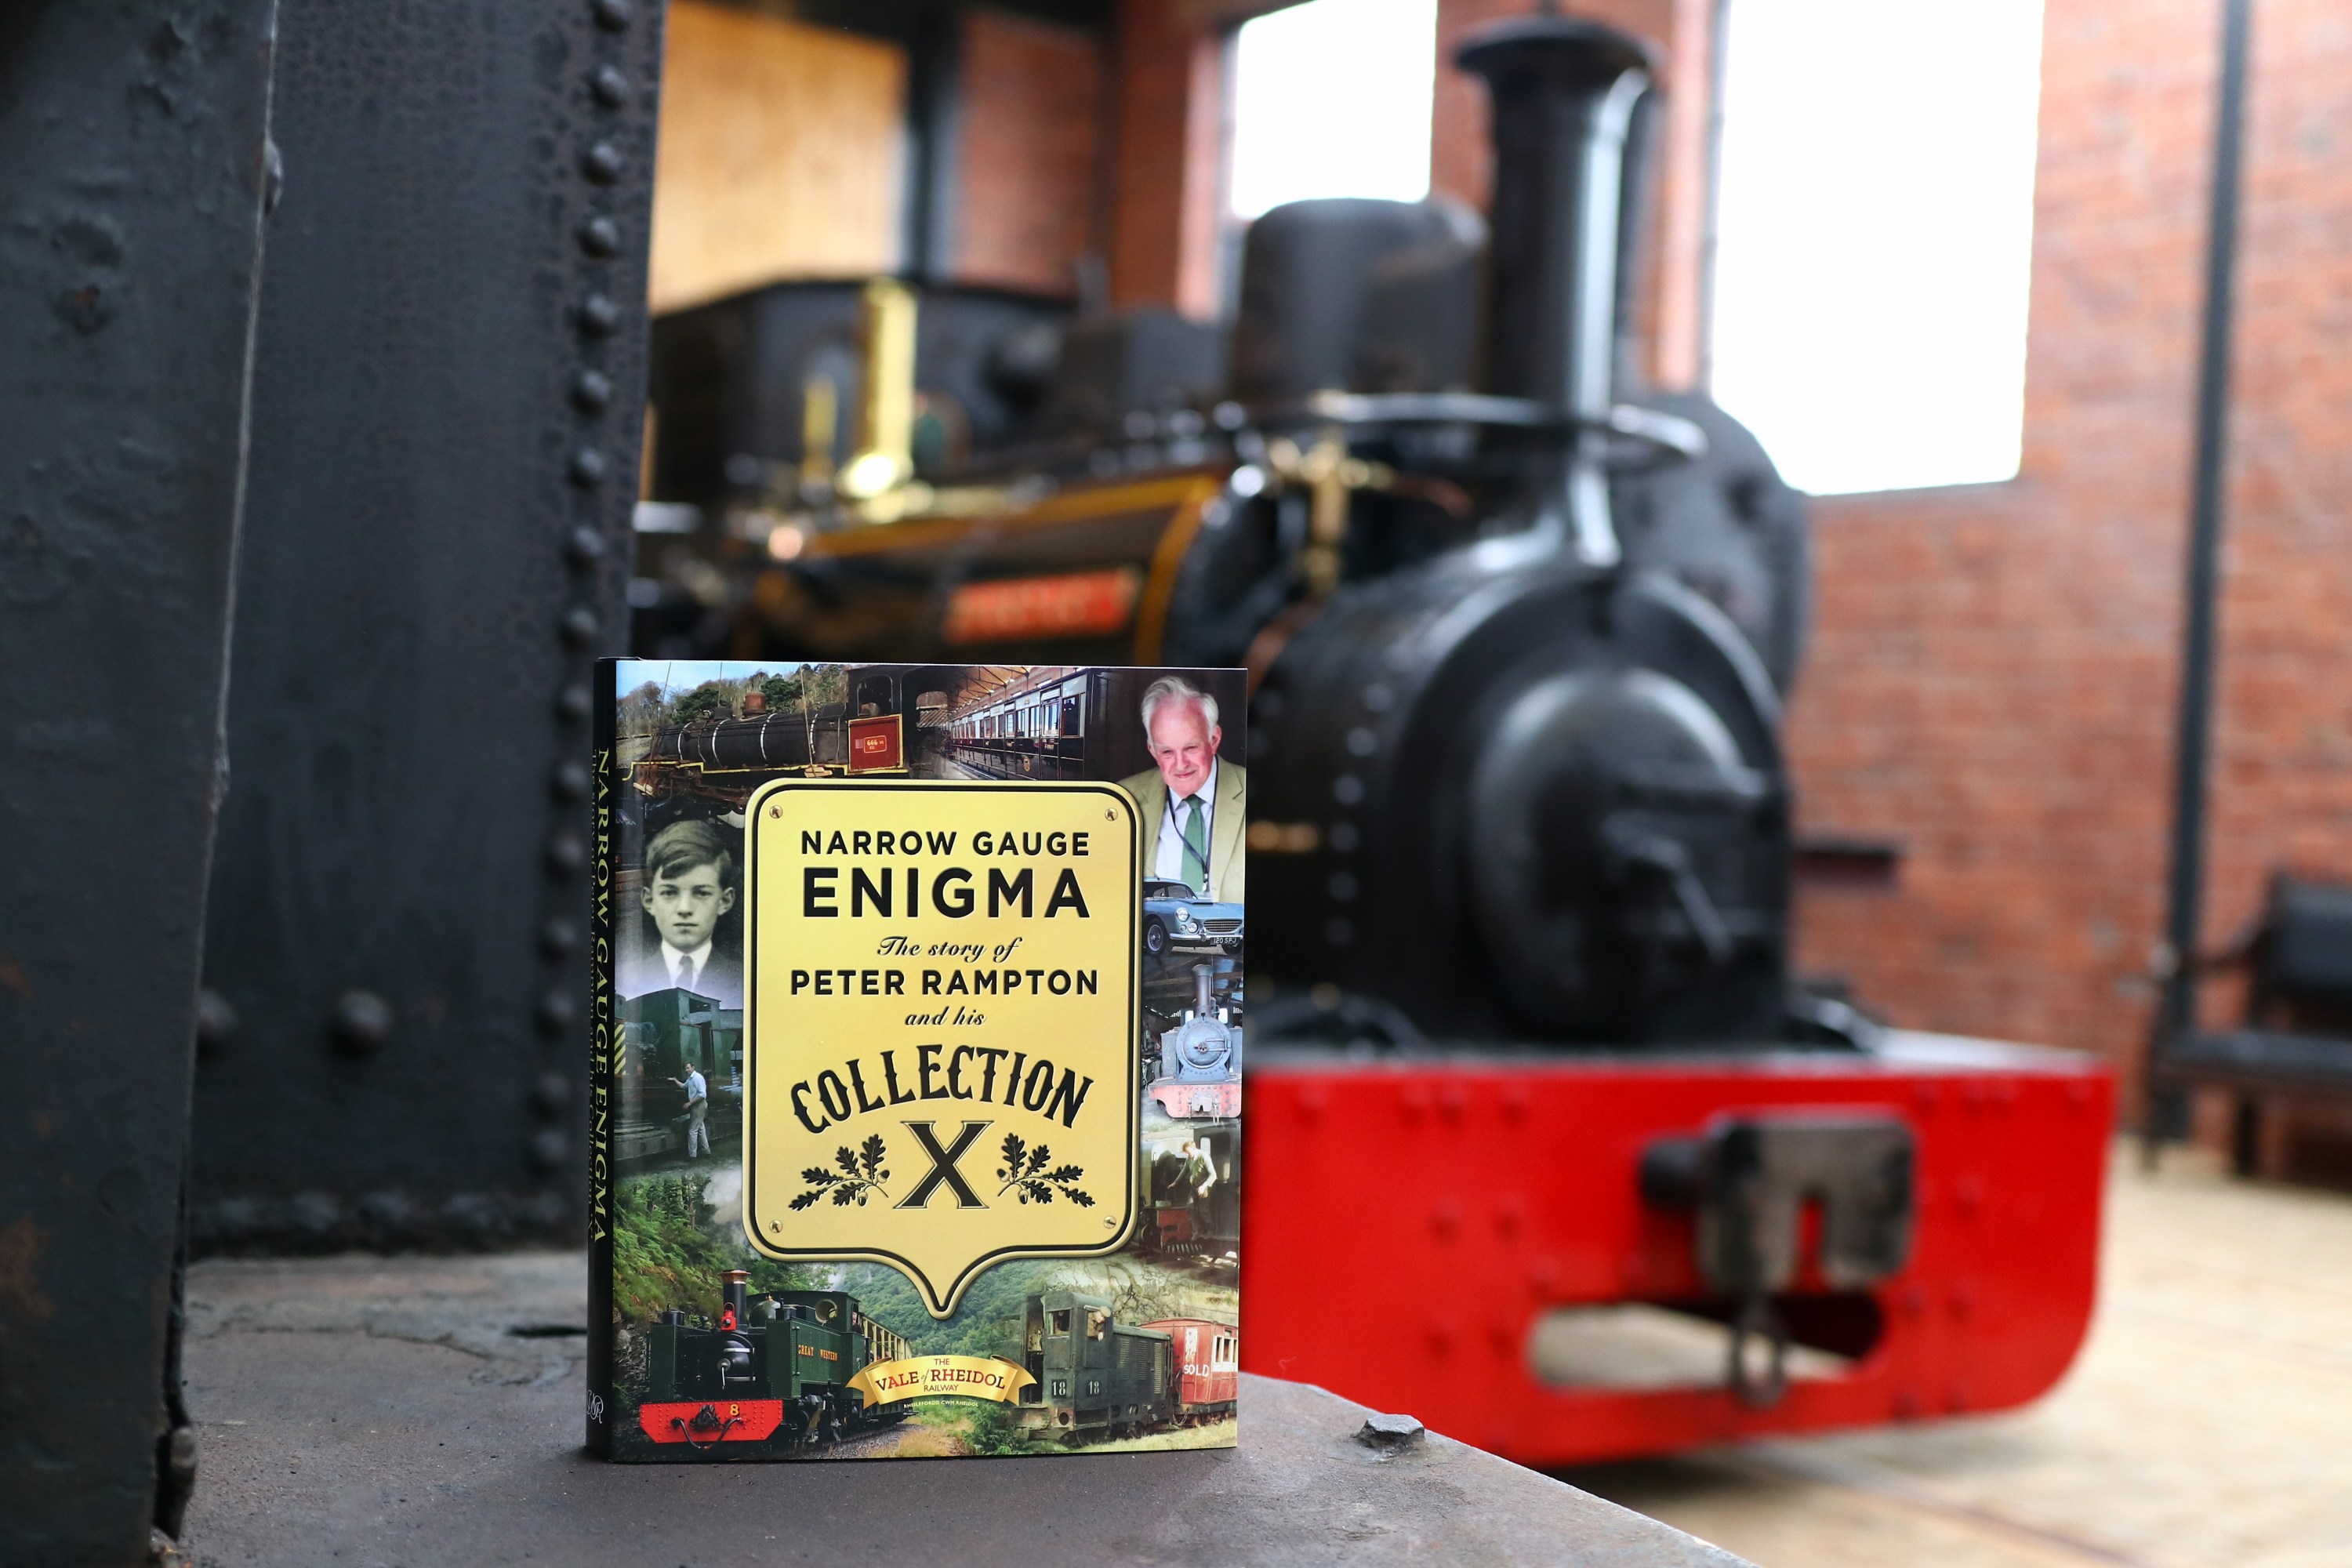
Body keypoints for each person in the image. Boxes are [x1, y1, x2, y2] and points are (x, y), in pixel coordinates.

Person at [1119, 675, 1247, 904]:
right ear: (1152, 750)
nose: (1180, 764)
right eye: (1167, 752)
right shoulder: (1124, 800)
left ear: (1214, 739)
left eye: (1190, 748)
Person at [619, 818, 742, 1005]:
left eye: (701, 893)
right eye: (669, 892)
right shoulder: (622, 978)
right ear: (649, 900)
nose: (684, 909)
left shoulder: (746, 979)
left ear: (725, 901)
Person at [670, 1057, 711, 1160]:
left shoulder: (697, 1078)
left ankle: (692, 1156)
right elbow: (684, 1086)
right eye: (685, 1069)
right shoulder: (691, 1078)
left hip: (699, 1105)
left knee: (692, 1131)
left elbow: (702, 1094)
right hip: (696, 1106)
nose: (686, 1070)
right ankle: (707, 1152)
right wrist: (675, 1080)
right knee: (701, 1129)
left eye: (688, 1068)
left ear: (693, 1067)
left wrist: (689, 1103)